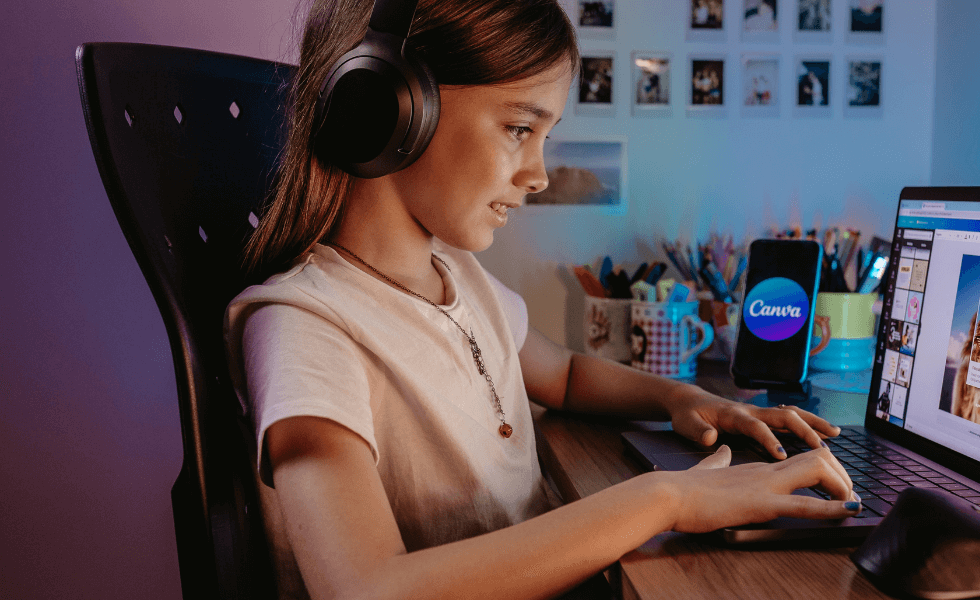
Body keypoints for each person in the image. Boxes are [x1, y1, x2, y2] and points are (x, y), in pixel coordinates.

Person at [225, 1, 861, 599]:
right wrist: (667, 499)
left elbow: (566, 374)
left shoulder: (458, 275)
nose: (539, 174)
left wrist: (684, 398)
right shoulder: (305, 327)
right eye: (519, 127)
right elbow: (364, 587)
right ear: (385, 107)